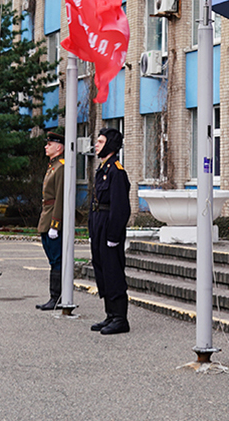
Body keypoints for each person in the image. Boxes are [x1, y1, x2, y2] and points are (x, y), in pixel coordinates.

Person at [87, 129, 131, 334]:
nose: (96, 144)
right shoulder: (102, 168)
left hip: (109, 224)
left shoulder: (116, 171)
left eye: (101, 141)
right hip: (99, 222)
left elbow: (121, 207)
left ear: (110, 145)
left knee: (113, 270)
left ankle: (120, 318)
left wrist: (113, 235)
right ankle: (110, 314)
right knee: (102, 268)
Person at [35, 133, 67, 310]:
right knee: (53, 260)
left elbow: (60, 198)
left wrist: (56, 224)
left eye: (50, 144)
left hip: (53, 219)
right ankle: (55, 297)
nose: (46, 147)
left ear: (59, 147)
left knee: (57, 260)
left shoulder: (61, 167)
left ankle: (57, 297)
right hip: (46, 217)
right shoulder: (53, 166)